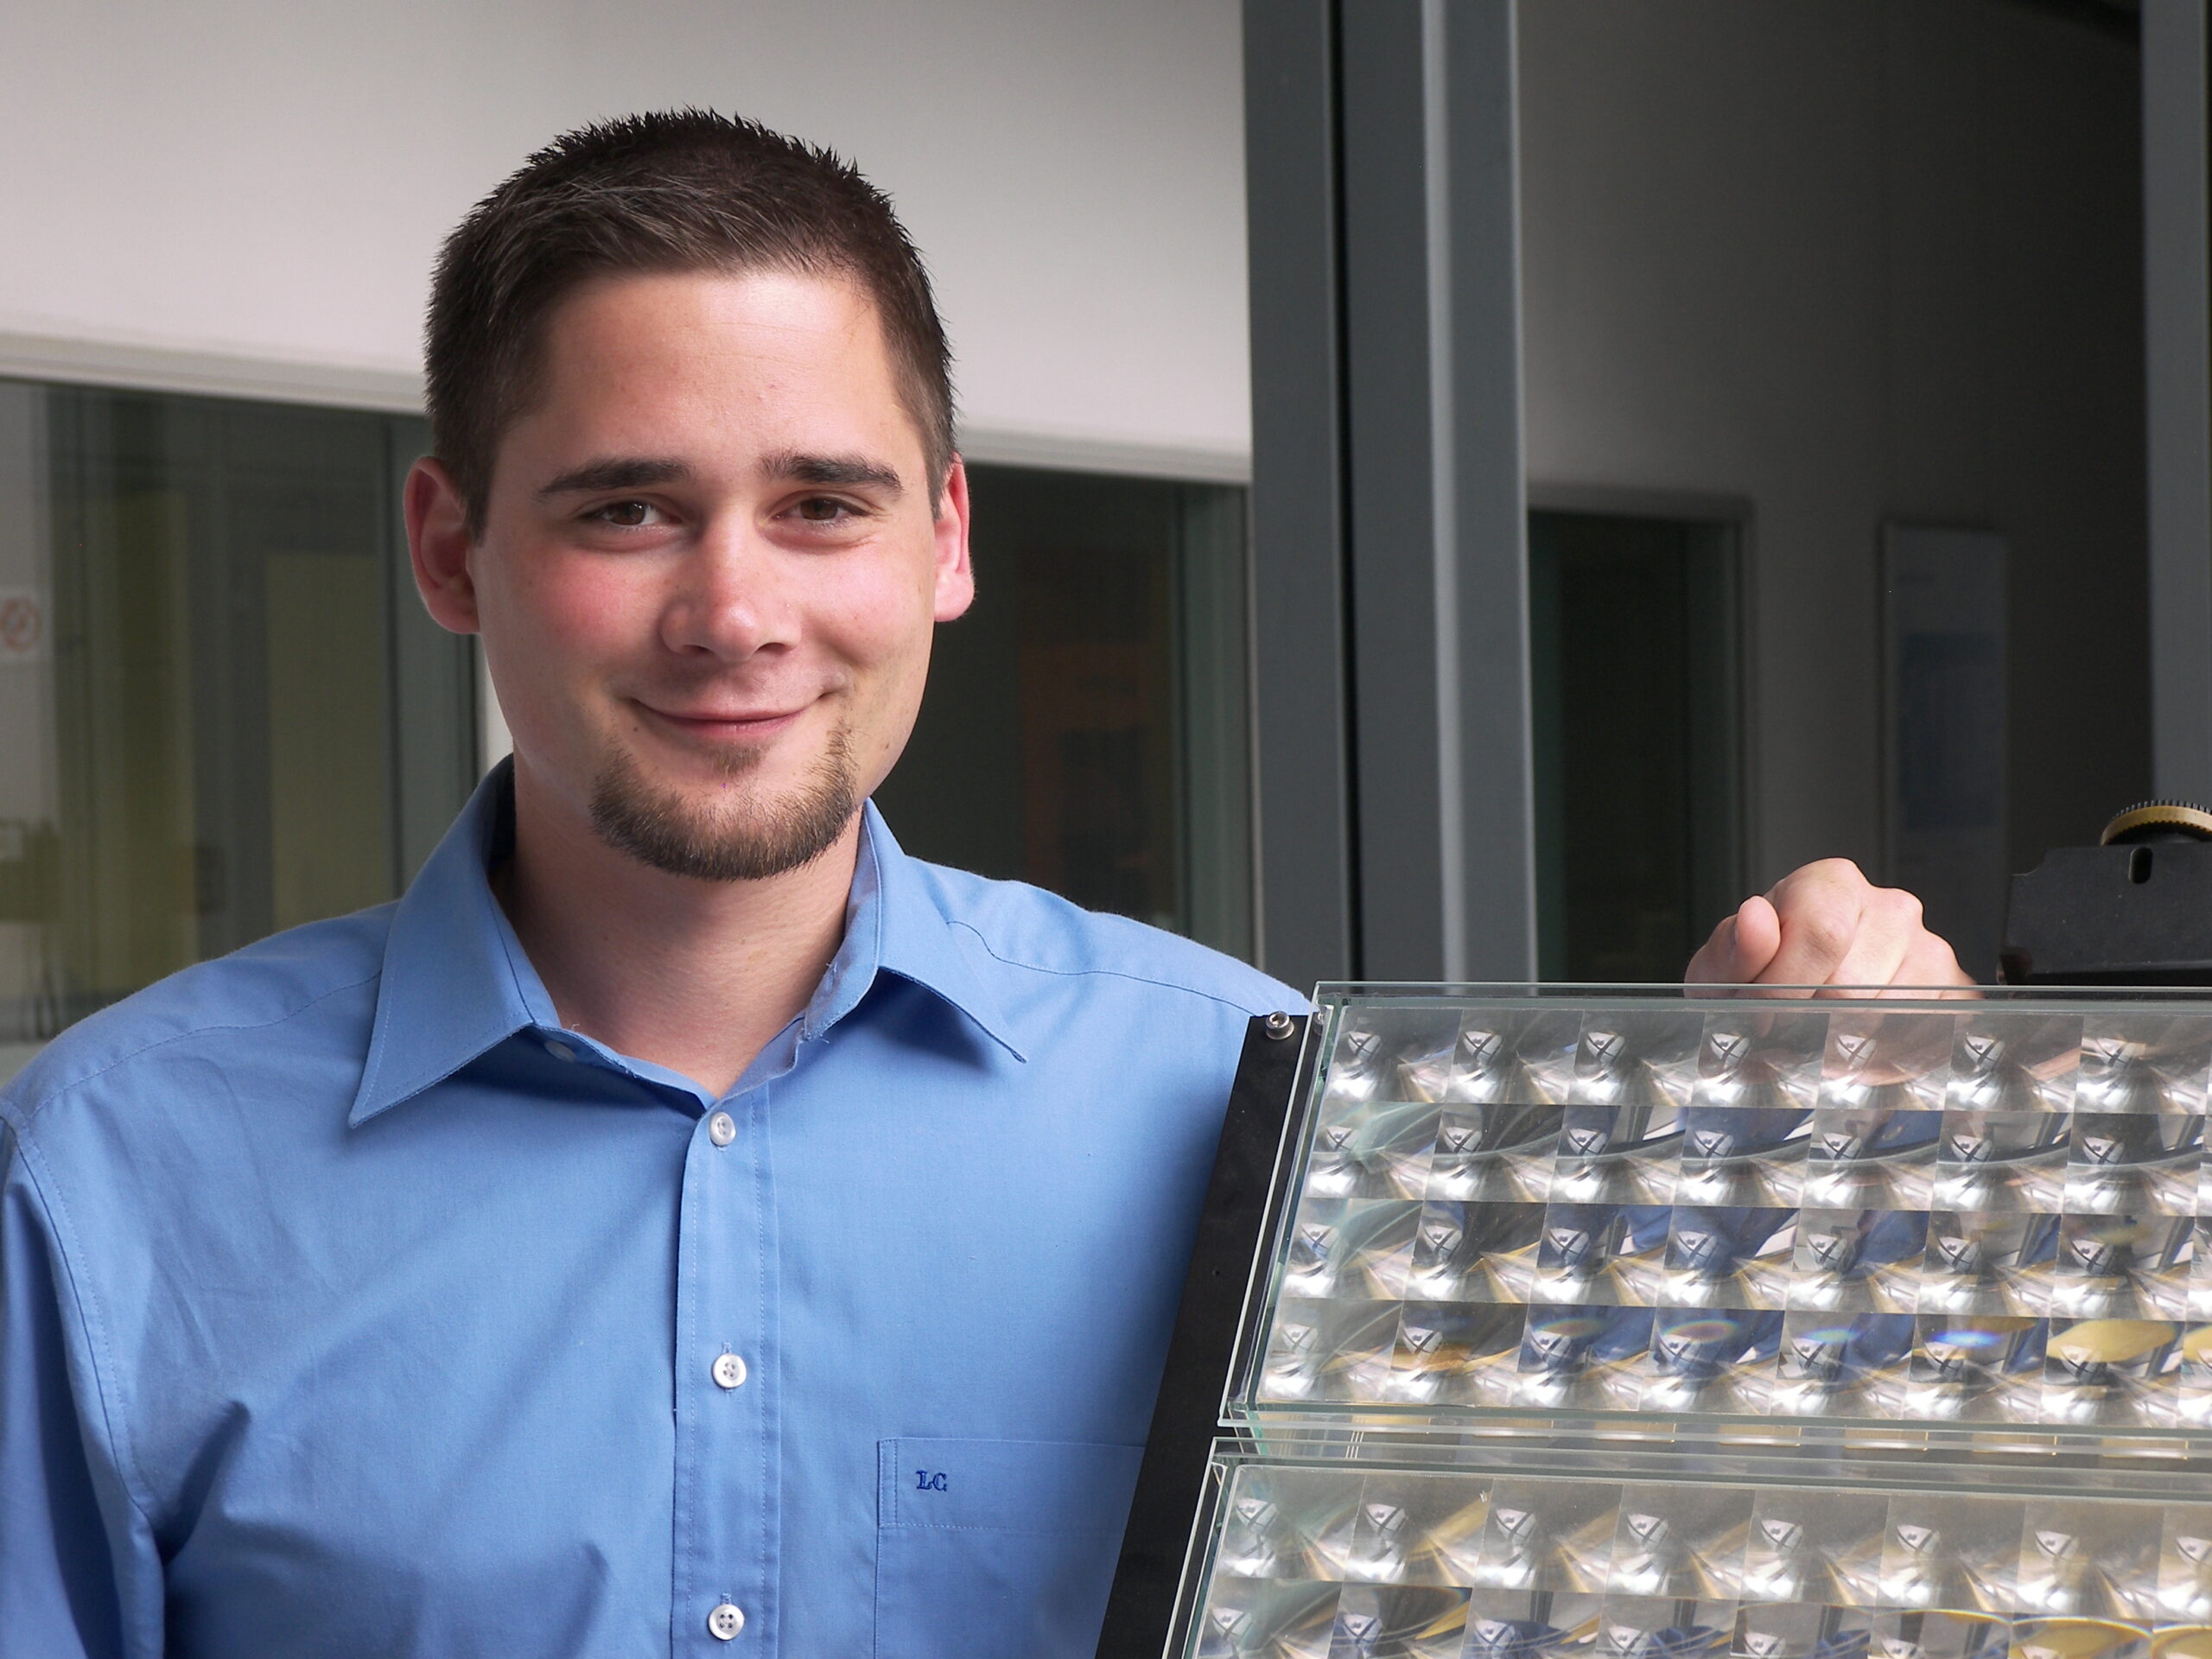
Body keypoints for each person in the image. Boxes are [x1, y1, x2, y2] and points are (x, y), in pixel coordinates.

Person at [0, 111, 1967, 1657]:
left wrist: (1828, 1176)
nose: (735, 612)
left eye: (820, 503)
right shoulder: (110, 1181)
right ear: (449, 548)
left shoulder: (1258, 1121)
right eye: (625, 508)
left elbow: (1661, 1555)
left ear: (942, 538)